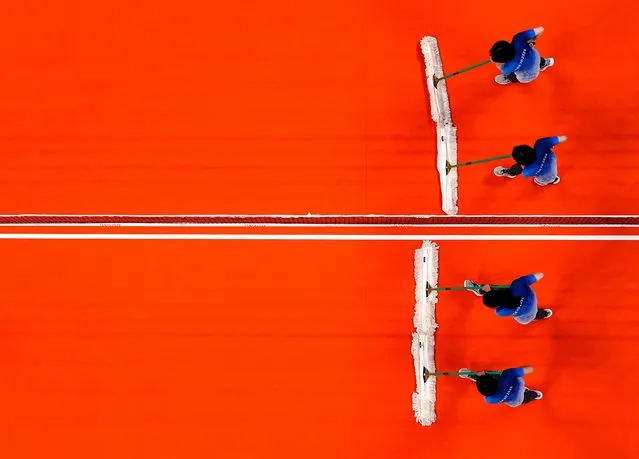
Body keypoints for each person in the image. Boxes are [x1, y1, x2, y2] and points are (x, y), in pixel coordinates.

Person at [464, 272, 552, 324]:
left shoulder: (500, 312)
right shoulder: (517, 285)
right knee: (533, 315)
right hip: (529, 312)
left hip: (523, 317)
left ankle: (480, 290)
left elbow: (499, 298)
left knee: (530, 314)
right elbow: (541, 274)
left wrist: (488, 292)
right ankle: (539, 314)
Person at [489, 27, 554, 85]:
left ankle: (508, 79)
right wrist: (533, 41)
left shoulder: (507, 68)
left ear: (504, 61)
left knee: (512, 77)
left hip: (530, 73)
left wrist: (493, 60)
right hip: (534, 57)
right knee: (536, 59)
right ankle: (544, 63)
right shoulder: (518, 39)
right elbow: (541, 29)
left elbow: (499, 65)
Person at [494, 135, 568, 185]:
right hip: (552, 169)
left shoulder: (527, 171)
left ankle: (511, 173)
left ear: (521, 163)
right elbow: (564, 138)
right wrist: (550, 144)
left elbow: (524, 168)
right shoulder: (541, 144)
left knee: (541, 180)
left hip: (544, 178)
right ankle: (552, 180)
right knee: (549, 177)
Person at [458, 366, 543, 407]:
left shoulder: (489, 400)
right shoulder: (507, 376)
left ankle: (472, 375)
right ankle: (535, 394)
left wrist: (482, 377)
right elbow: (530, 369)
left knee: (483, 380)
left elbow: (485, 385)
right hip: (518, 397)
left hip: (511, 398)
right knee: (527, 397)